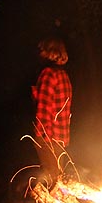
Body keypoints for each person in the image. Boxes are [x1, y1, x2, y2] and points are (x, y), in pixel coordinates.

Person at [31, 37, 73, 182]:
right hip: (61, 136)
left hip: (48, 136)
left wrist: (39, 135)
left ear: (50, 52)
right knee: (57, 176)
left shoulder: (48, 74)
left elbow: (44, 107)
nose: (39, 52)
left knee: (51, 177)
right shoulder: (63, 75)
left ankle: (53, 201)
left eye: (42, 49)